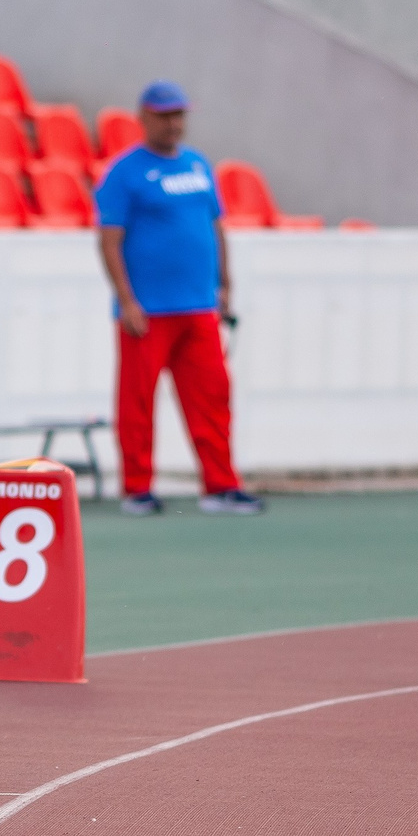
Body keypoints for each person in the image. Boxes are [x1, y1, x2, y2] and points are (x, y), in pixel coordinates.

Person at [94, 80, 263, 517]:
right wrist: (127, 300)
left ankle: (221, 485)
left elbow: (215, 227)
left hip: (198, 306)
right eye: (165, 115)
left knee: (212, 398)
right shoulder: (125, 173)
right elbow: (110, 240)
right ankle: (136, 488)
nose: (174, 124)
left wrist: (224, 284)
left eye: (179, 115)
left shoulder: (198, 166)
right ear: (144, 117)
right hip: (148, 312)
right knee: (137, 403)